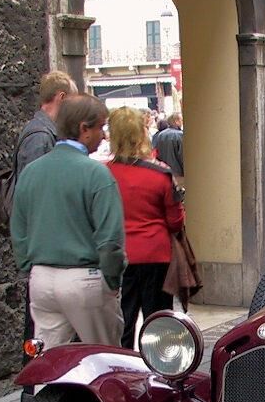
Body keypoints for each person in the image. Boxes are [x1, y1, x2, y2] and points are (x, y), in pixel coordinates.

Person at [10, 94, 125, 350]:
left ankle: (46, 391)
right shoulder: (96, 174)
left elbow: (18, 229)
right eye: (100, 127)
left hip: (42, 277)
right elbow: (110, 239)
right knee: (106, 357)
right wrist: (111, 282)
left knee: (48, 359)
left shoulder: (32, 171)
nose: (104, 135)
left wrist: (29, 265)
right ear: (84, 129)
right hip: (84, 278)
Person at [13, 71, 77, 402]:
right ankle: (34, 392)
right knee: (41, 325)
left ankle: (44, 388)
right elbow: (36, 197)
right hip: (45, 251)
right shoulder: (40, 136)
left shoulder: (45, 134)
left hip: (47, 249)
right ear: (62, 98)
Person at [106, 107, 185, 349]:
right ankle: (160, 364)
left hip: (120, 254)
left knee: (124, 317)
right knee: (158, 316)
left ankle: (123, 365)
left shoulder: (105, 173)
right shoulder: (160, 174)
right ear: (141, 133)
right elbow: (175, 222)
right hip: (155, 253)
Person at [152, 111, 184, 185]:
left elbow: (156, 153)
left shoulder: (160, 135)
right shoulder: (180, 135)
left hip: (164, 173)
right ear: (176, 121)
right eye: (181, 120)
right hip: (178, 174)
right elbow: (183, 156)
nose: (182, 122)